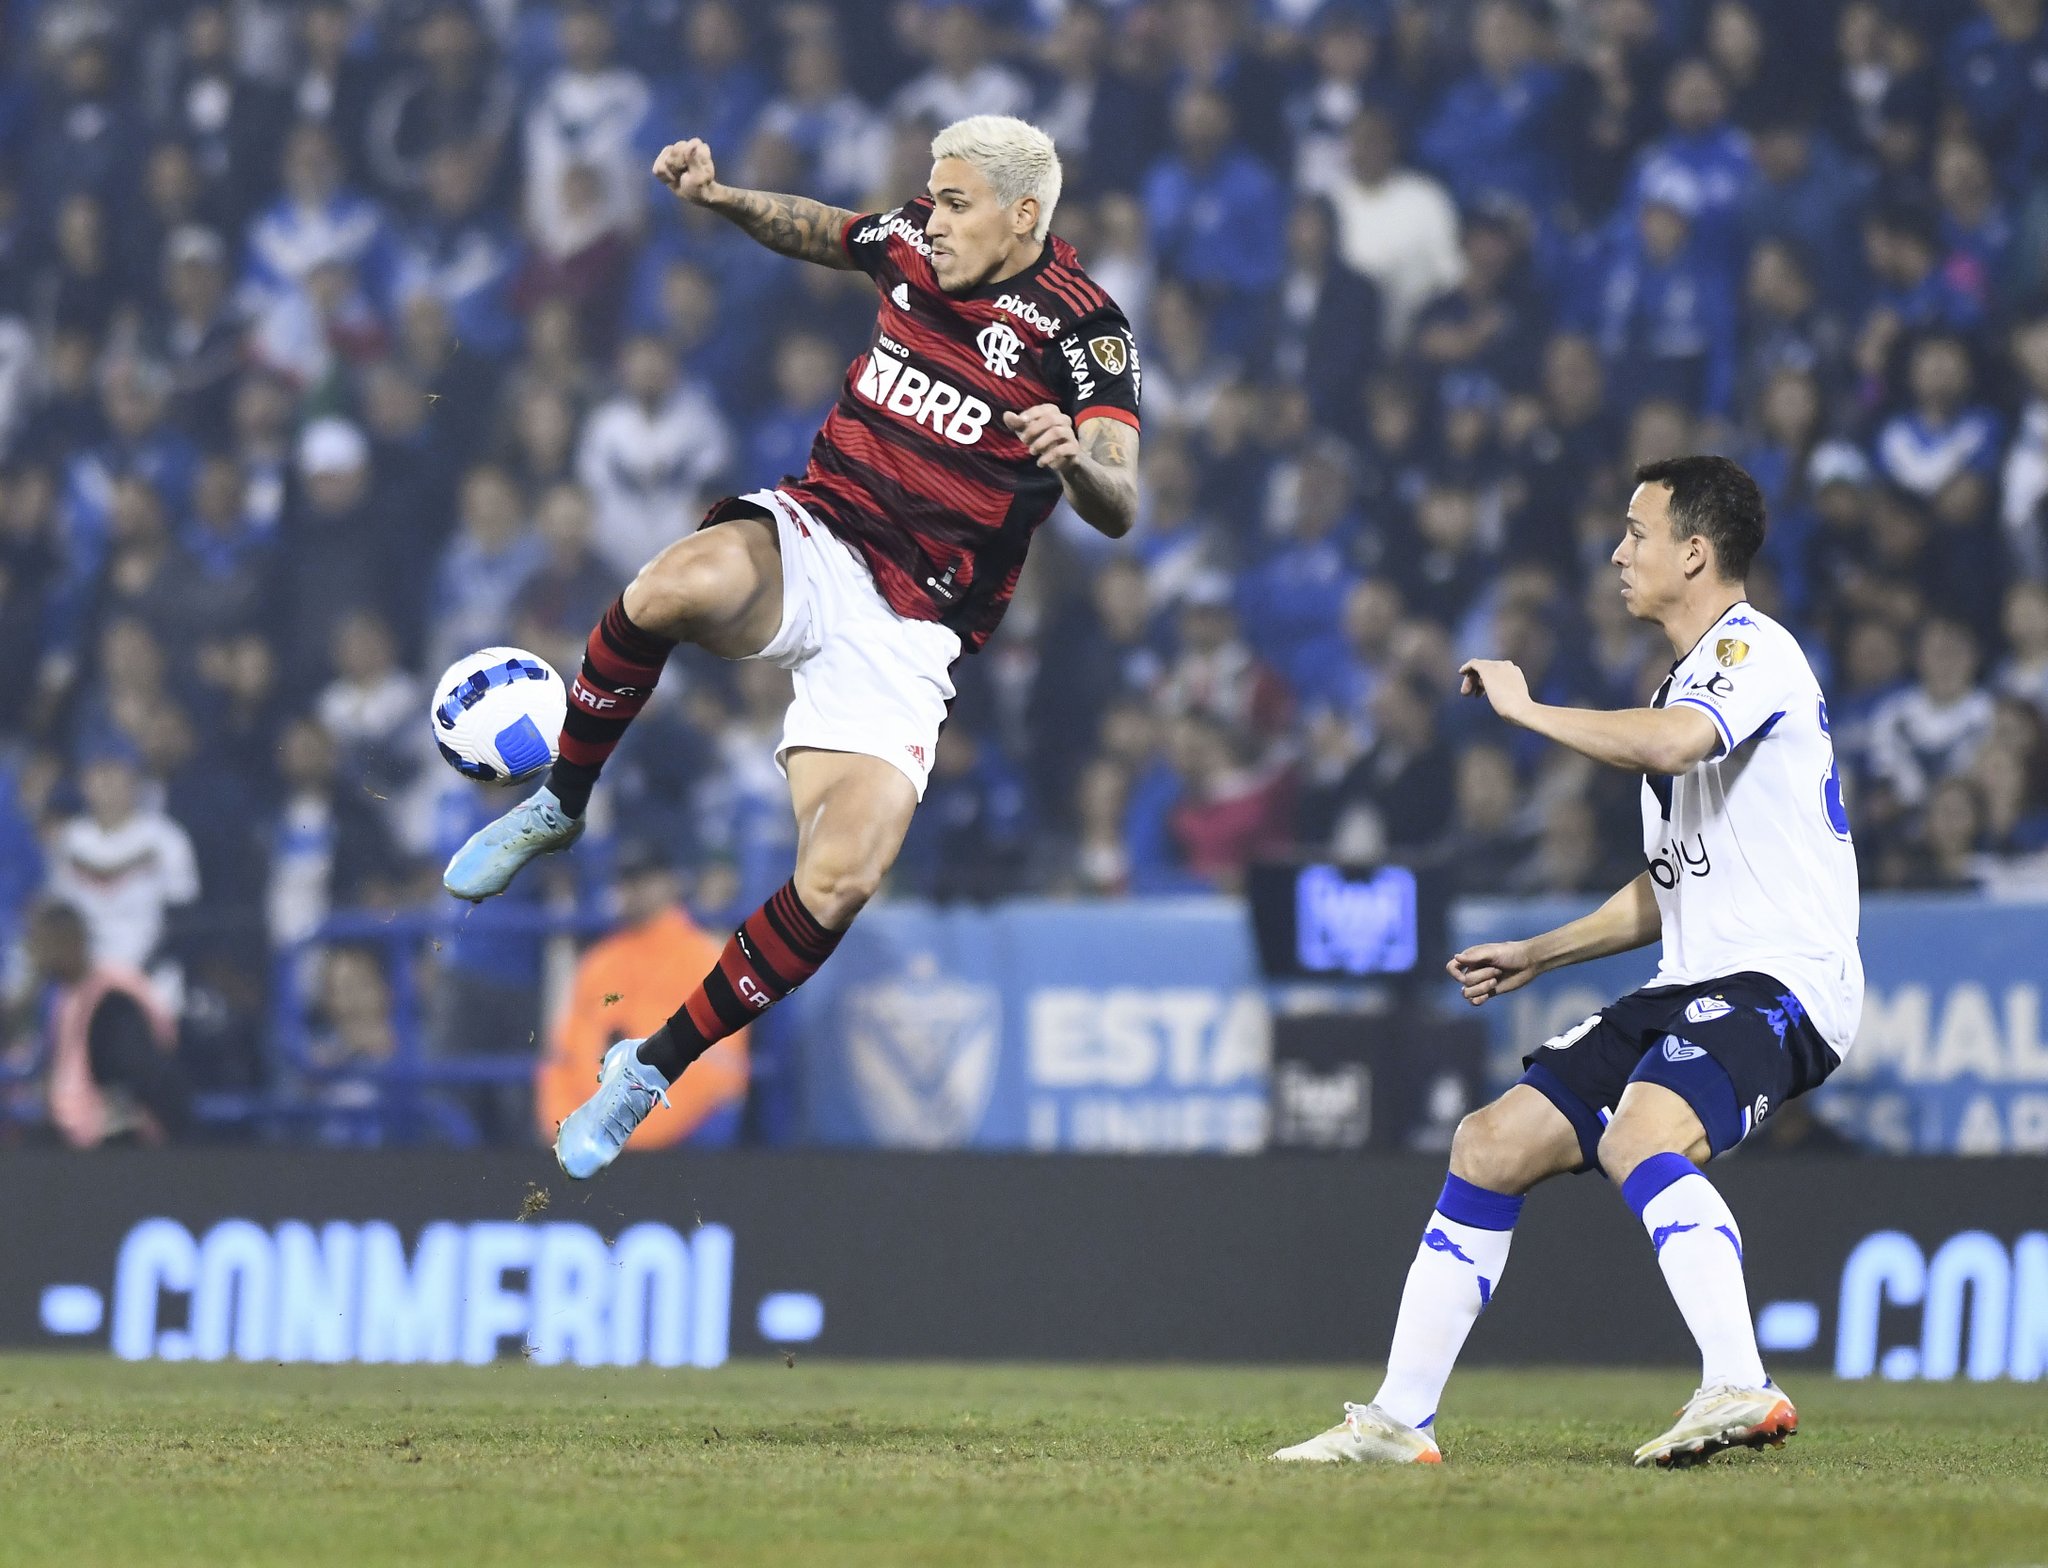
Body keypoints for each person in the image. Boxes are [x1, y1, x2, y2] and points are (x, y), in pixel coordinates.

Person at [442, 115, 1140, 1178]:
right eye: (931, 196)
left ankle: (648, 1067)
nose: (931, 216)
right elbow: (830, 232)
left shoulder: (1085, 334)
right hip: (822, 530)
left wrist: (1074, 462)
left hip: (914, 624)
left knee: (838, 881)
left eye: (954, 202)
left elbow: (1120, 497)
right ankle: (559, 804)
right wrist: (722, 201)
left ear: (1023, 214)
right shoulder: (913, 238)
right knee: (669, 583)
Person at [1276, 456, 1863, 1469]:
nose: (1615, 551)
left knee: (1641, 1136)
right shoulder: (1683, 679)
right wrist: (1539, 951)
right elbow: (1669, 882)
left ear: (1694, 549)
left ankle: (1738, 1380)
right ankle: (1396, 1418)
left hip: (1781, 980)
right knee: (1489, 1141)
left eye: (1636, 532)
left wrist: (1524, 710)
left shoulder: (1749, 651)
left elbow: (1671, 745)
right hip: (1692, 979)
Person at [534, 839, 747, 1150]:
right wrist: (563, 1127)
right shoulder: (599, 962)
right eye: (627, 880)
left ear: (671, 882)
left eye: (646, 878)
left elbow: (717, 1074)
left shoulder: (705, 959)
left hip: (682, 1144)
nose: (635, 889)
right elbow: (561, 1058)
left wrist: (628, 1136)